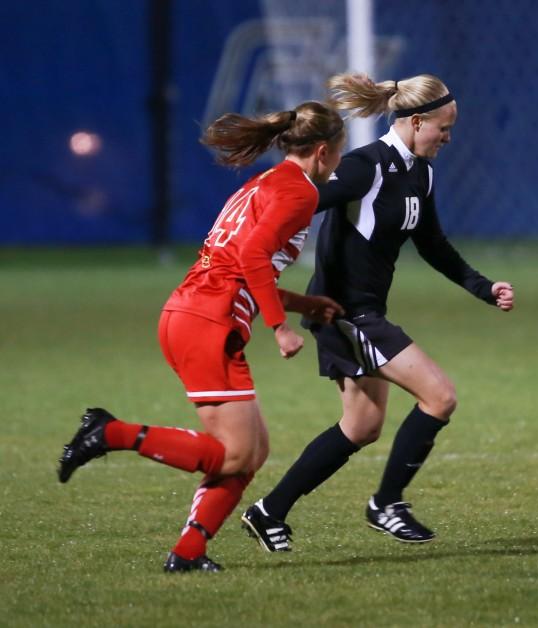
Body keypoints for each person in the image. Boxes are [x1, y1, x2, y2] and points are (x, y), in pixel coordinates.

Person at [57, 101, 347, 572]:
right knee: (233, 453)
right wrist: (280, 327)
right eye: (338, 152)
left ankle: (189, 553)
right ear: (322, 151)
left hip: (187, 311)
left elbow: (240, 262)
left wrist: (303, 304)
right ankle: (110, 432)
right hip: (208, 320)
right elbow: (252, 257)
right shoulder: (300, 193)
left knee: (251, 452)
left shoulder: (261, 185)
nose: (337, 162)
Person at [241, 73, 515, 551]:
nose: (447, 138)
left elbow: (432, 243)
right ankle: (386, 503)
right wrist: (253, 236)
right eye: (443, 129)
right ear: (414, 122)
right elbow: (304, 198)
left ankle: (269, 511)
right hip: (344, 312)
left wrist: (483, 288)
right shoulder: (365, 167)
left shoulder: (421, 173)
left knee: (361, 427)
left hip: (365, 311)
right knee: (440, 396)